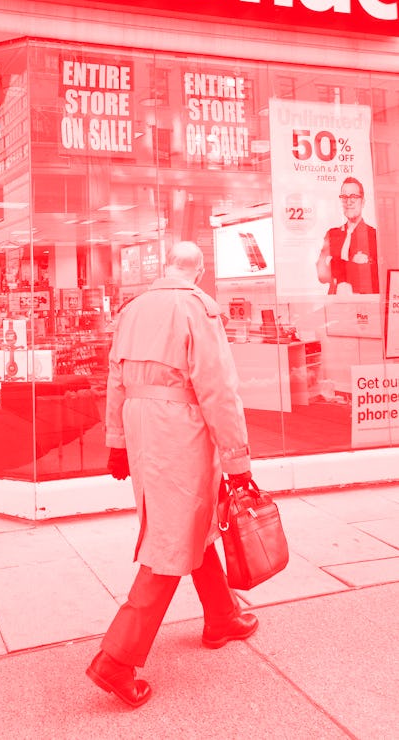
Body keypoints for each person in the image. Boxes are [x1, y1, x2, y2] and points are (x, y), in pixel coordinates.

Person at [86, 241, 256, 708]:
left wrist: (117, 442)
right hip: (181, 428)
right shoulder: (198, 308)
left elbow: (116, 379)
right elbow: (219, 390)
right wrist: (238, 461)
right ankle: (116, 659)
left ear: (165, 268)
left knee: (186, 521)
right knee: (170, 538)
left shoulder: (133, 309)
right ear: (198, 273)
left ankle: (222, 616)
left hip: (141, 428)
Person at [316, 176, 378, 295]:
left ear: (363, 202)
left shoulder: (373, 235)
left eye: (353, 197)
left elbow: (372, 276)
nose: (348, 202)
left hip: (363, 302)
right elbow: (321, 275)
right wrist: (354, 264)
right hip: (334, 301)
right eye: (344, 197)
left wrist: (334, 263)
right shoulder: (332, 234)